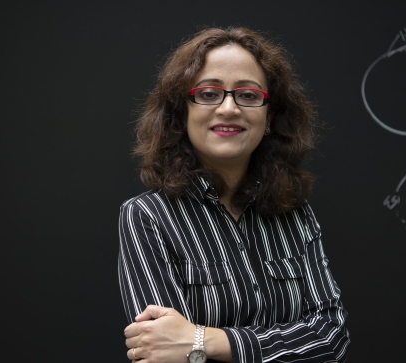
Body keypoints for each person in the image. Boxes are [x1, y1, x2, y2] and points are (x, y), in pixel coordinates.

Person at [118, 26, 350, 363]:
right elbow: (163, 352)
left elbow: (331, 337)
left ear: (270, 116)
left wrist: (204, 340)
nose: (229, 109)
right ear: (182, 113)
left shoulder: (295, 213)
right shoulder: (147, 217)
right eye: (209, 93)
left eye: (249, 95)